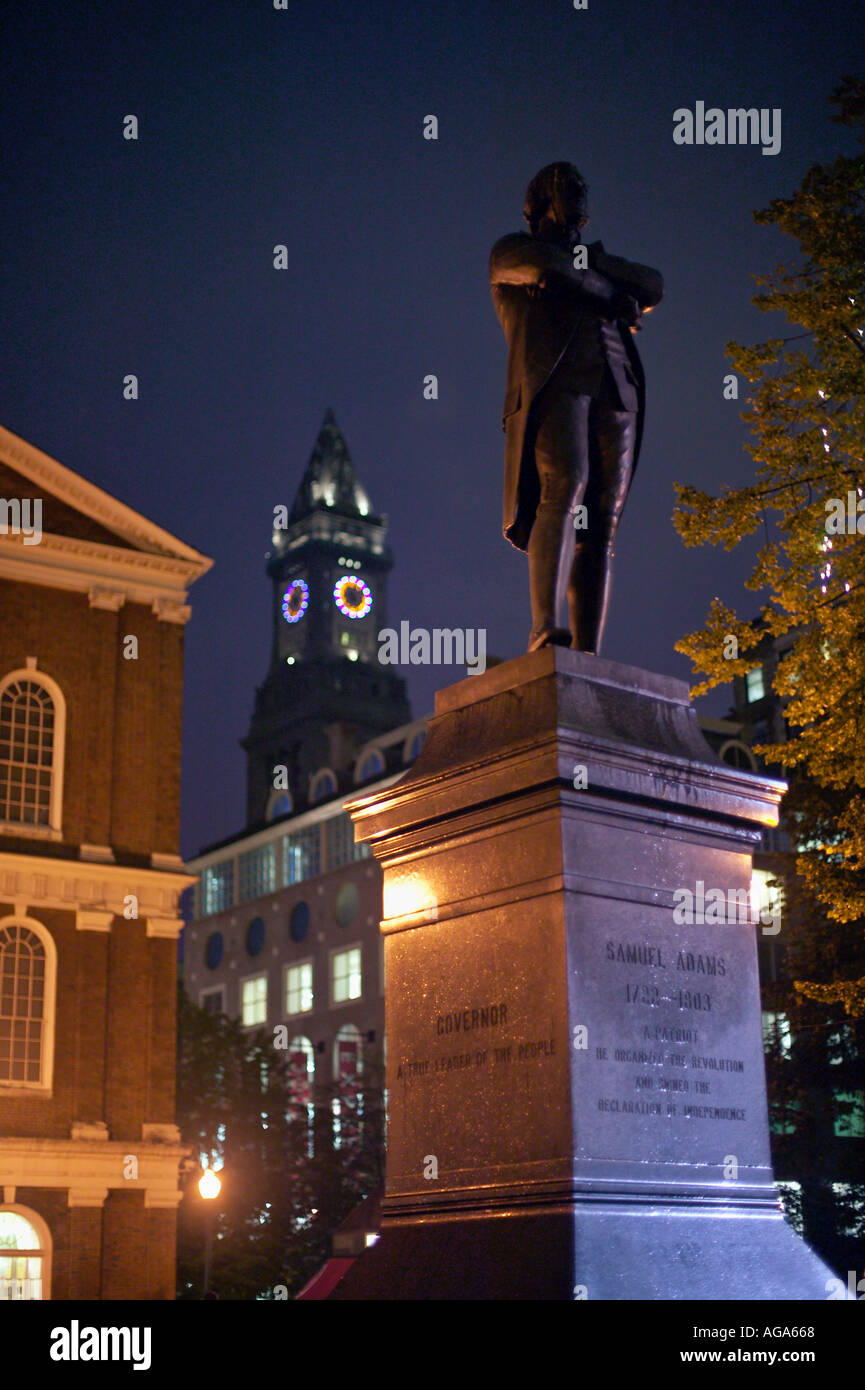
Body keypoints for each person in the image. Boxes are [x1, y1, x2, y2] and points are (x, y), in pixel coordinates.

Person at [489, 162, 663, 653]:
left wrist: (590, 272)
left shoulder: (591, 256)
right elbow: (550, 268)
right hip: (555, 383)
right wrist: (613, 294)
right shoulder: (511, 250)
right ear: (541, 199)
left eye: (584, 186)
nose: (581, 193)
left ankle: (589, 652)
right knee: (564, 483)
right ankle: (544, 626)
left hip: (616, 387)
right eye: (569, 187)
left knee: (602, 519)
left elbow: (653, 284)